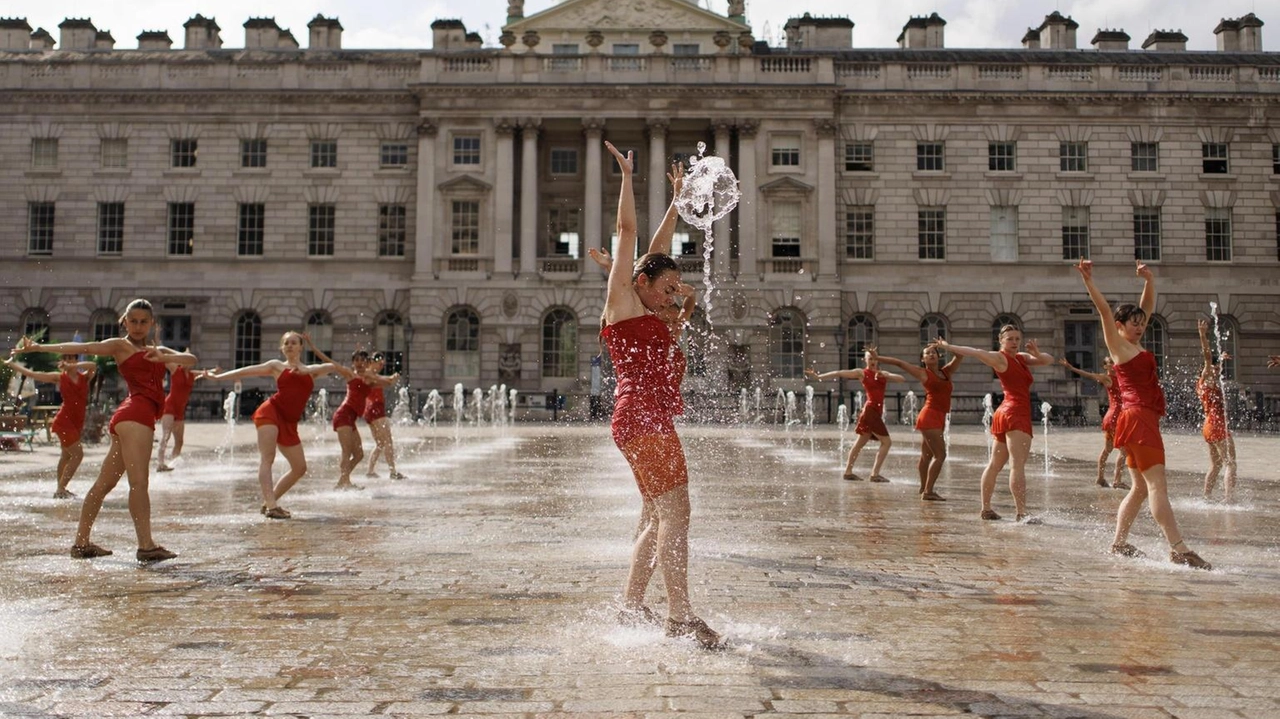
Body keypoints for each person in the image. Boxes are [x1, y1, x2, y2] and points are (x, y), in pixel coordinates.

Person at [599, 140, 722, 650]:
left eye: (677, 289)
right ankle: (681, 616)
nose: (675, 295)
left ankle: (631, 606)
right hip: (643, 419)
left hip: (643, 420)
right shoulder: (623, 301)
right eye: (668, 287)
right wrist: (628, 176)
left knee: (656, 513)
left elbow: (654, 247)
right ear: (642, 282)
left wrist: (674, 201)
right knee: (677, 514)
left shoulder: (648, 307)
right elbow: (629, 235)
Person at [12, 299, 195, 562]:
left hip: (129, 416)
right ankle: (146, 545)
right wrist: (40, 346)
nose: (138, 326)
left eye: (144, 321)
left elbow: (191, 358)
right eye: (133, 321)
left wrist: (165, 356)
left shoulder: (159, 350)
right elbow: (84, 346)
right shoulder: (121, 345)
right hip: (136, 414)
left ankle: (81, 543)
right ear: (125, 322)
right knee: (139, 483)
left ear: (153, 323)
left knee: (104, 483)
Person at [1076, 259, 1211, 569]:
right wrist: (1088, 281)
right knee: (1156, 487)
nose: (1139, 326)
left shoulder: (1134, 345)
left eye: (1142, 323)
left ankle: (1119, 542)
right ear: (1120, 327)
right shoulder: (1118, 346)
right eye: (1133, 322)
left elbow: (1147, 306)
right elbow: (1104, 312)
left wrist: (1149, 281)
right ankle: (1178, 548)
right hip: (1139, 419)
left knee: (1139, 488)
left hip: (1136, 419)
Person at [205, 332, 346, 518]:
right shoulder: (277, 366)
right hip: (271, 412)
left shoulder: (311, 371)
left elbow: (333, 367)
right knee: (268, 458)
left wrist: (308, 364)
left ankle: (268, 502)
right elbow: (246, 371)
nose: (289, 346)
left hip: (290, 422)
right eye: (286, 343)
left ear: (300, 347)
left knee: (299, 468)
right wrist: (218, 378)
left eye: (294, 343)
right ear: (282, 348)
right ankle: (272, 506)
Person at [933, 325, 1054, 523]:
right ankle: (1021, 512)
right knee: (1017, 465)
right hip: (1016, 413)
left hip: (1004, 412)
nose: (1014, 342)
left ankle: (986, 508)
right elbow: (975, 352)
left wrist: (1038, 353)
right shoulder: (1000, 358)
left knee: (995, 464)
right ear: (1001, 341)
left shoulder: (1021, 358)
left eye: (1017, 339)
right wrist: (948, 346)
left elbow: (1048, 360)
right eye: (1010, 339)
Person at [872, 345, 963, 500]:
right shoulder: (923, 373)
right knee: (940, 455)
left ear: (939, 356)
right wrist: (877, 358)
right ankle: (928, 491)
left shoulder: (946, 372)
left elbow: (960, 356)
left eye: (934, 352)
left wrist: (945, 346)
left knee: (926, 456)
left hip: (939, 417)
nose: (931, 355)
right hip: (930, 416)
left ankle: (923, 488)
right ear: (923, 359)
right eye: (927, 353)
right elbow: (900, 363)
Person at [806, 350, 907, 483]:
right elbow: (839, 373)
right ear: (865, 360)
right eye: (870, 359)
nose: (873, 361)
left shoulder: (882, 374)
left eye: (875, 359)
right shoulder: (862, 373)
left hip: (875, 411)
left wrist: (886, 375)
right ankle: (874, 474)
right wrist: (819, 377)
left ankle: (848, 472)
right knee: (886, 442)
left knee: (859, 443)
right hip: (870, 411)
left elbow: (902, 379)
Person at [3, 357, 96, 499]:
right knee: (77, 455)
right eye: (66, 359)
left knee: (66, 455)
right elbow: (34, 374)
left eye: (72, 358)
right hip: (64, 421)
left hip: (77, 421)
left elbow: (93, 365)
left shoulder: (85, 377)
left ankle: (62, 489)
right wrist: (12, 365)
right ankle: (60, 489)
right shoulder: (58, 377)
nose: (69, 361)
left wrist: (74, 365)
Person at [1058, 357, 1128, 489]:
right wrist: (1072, 368)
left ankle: (1100, 478)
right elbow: (1089, 375)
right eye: (1111, 363)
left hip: (1116, 416)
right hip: (1115, 417)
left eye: (1115, 362)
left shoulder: (1121, 377)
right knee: (1124, 450)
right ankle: (1117, 481)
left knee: (1108, 449)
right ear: (1105, 367)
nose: (1114, 365)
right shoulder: (1107, 378)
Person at [1196, 319, 1236, 503]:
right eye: (1215, 367)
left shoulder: (1203, 383)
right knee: (1230, 463)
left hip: (1208, 426)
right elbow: (1206, 357)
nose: (1217, 369)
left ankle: (1206, 497)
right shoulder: (1208, 376)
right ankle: (1228, 499)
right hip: (1217, 424)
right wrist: (1203, 335)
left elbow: (1212, 364)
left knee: (1216, 465)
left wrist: (1220, 359)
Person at [156, 362, 211, 472]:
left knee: (179, 441)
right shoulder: (175, 369)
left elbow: (205, 373)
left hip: (180, 409)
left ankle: (173, 463)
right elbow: (164, 360)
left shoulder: (191, 374)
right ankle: (160, 464)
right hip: (170, 406)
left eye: (189, 360)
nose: (188, 362)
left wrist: (214, 371)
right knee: (166, 436)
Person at [363, 352, 405, 480]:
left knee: (380, 443)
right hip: (375, 409)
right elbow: (385, 381)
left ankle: (370, 471)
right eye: (380, 363)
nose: (381, 366)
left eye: (383, 364)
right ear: (372, 362)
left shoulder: (371, 374)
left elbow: (385, 381)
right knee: (388, 441)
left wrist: (391, 379)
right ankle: (393, 472)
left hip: (371, 410)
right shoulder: (369, 373)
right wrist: (391, 378)